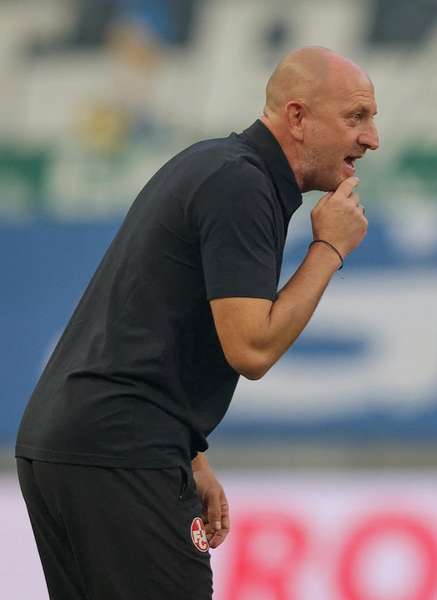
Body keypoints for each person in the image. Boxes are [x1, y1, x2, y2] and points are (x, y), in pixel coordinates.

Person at [15, 46, 378, 599]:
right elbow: (251, 349)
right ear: (298, 117)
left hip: (66, 443)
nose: (372, 138)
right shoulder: (243, 185)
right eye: (356, 117)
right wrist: (329, 248)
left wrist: (190, 453)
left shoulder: (215, 165)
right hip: (123, 449)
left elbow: (150, 321)